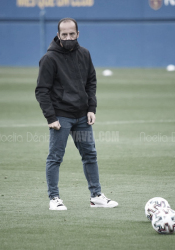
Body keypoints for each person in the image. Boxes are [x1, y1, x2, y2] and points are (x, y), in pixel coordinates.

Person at [35, 17, 118, 210]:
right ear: (58, 35)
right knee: (55, 157)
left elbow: (91, 82)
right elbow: (41, 90)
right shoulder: (49, 59)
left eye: (72, 34)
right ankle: (54, 199)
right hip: (61, 118)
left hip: (82, 116)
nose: (68, 37)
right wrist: (51, 117)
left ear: (78, 34)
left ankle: (96, 196)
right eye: (64, 34)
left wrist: (91, 108)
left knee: (90, 155)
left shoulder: (85, 54)